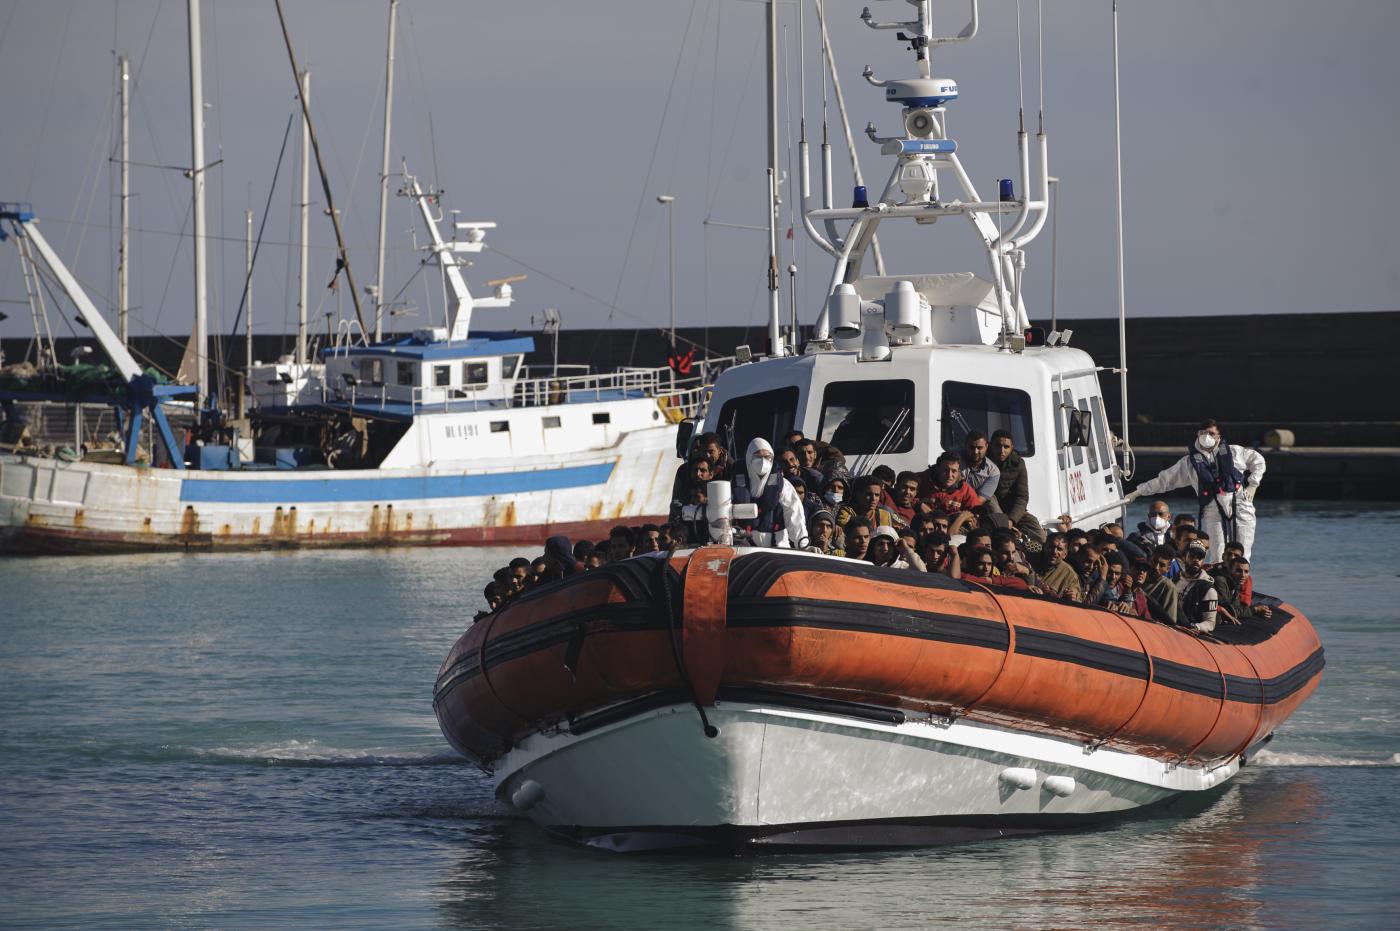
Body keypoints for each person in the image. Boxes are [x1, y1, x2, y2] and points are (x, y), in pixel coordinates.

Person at [1126, 419, 1266, 562]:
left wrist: (1253, 484)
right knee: (1218, 554)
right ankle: (1218, 581)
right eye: (1203, 433)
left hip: (1240, 502)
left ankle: (1241, 582)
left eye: (1211, 433)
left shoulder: (1234, 452)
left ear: (1218, 436)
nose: (1207, 436)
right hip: (1213, 507)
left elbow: (1258, 461)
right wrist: (1137, 492)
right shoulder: (1189, 463)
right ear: (1197, 434)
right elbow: (1164, 481)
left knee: (1242, 552)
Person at [732, 437, 809, 548]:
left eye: (767, 457)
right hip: (743, 544)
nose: (763, 461)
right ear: (749, 458)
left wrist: (802, 544)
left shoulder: (783, 485)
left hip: (777, 546)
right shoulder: (733, 484)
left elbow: (794, 514)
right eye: (758, 457)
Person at [917, 452, 983, 530]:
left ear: (959, 472)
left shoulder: (965, 489)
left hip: (952, 528)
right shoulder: (921, 480)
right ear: (938, 468)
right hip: (926, 527)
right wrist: (918, 504)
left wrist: (963, 517)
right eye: (946, 470)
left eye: (954, 471)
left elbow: (976, 512)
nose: (949, 475)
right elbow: (905, 495)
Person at [1175, 539, 1223, 632]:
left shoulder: (1208, 589)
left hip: (1189, 631)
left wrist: (1195, 627)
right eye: (1192, 556)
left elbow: (1210, 623)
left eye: (1200, 557)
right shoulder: (1176, 578)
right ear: (1185, 557)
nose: (1196, 560)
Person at [837, 475, 904, 530]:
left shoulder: (885, 515)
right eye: (869, 494)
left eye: (877, 495)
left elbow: (904, 527)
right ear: (858, 494)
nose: (873, 499)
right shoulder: (846, 512)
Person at [1037, 533, 1082, 601]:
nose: (1054, 552)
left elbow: (1076, 598)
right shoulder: (1029, 558)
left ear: (1065, 554)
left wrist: (1073, 596)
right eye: (1051, 547)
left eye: (1059, 549)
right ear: (1044, 547)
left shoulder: (1070, 576)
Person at [960, 431, 1001, 501]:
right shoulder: (954, 461)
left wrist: (967, 511)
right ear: (966, 445)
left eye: (979, 448)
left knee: (995, 509)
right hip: (956, 496)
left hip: (980, 498)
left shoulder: (993, 471)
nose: (975, 452)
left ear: (987, 446)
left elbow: (981, 499)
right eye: (972, 447)